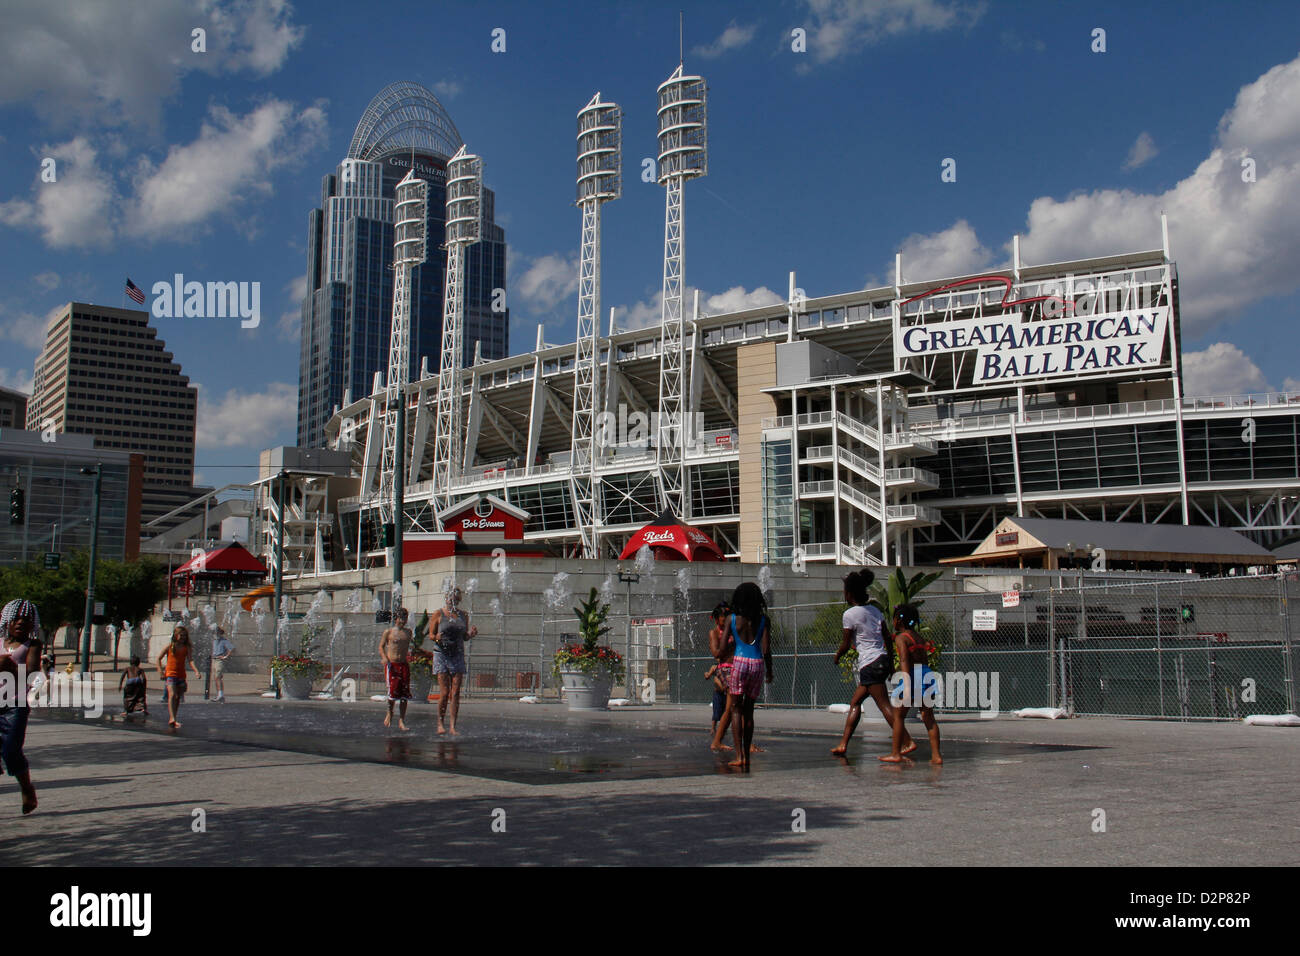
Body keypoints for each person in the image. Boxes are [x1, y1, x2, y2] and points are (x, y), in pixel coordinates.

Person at [831, 570, 915, 758]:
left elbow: (845, 643)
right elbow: (887, 636)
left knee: (884, 705)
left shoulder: (850, 614)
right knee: (855, 702)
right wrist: (891, 664)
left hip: (870, 663)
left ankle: (907, 741)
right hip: (881, 660)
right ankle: (843, 744)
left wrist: (837, 656)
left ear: (849, 594)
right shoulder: (875, 611)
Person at [880, 603, 943, 765]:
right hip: (926, 674)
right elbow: (925, 660)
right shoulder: (919, 637)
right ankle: (936, 756)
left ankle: (896, 753)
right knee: (928, 717)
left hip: (911, 675)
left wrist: (906, 685)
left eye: (893, 619)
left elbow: (904, 660)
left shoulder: (902, 638)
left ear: (899, 621)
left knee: (898, 716)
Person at [724, 582, 774, 771]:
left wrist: (729, 647)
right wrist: (770, 670)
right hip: (757, 664)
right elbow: (766, 649)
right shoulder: (763, 620)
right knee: (749, 711)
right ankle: (747, 753)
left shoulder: (732, 619)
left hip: (739, 662)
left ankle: (739, 756)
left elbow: (721, 648)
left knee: (736, 709)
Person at [0, 599, 42, 814]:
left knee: (10, 751)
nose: (20, 623)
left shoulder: (32, 645)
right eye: (16, 618)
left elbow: (33, 675)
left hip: (14, 705)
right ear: (7, 620)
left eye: (26, 619)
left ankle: (27, 788)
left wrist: (10, 668)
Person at [429, 586, 477, 736]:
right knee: (444, 692)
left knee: (455, 692)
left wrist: (471, 634)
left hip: (457, 654)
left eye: (456, 598)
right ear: (446, 598)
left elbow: (464, 637)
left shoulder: (463, 615)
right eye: (451, 598)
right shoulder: (438, 614)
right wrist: (436, 637)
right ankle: (440, 724)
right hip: (441, 654)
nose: (453, 601)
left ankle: (453, 726)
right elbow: (430, 634)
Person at [378, 608, 415, 731]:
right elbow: (381, 647)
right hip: (392, 665)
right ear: (396, 619)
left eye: (405, 618)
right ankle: (390, 712)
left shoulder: (408, 632)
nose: (403, 621)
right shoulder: (388, 632)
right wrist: (384, 658)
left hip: (403, 664)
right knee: (392, 693)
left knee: (404, 694)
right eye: (401, 618)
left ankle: (402, 721)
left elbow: (414, 646)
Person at [156, 626, 201, 728]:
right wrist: (161, 672)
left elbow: (190, 660)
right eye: (181, 635)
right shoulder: (170, 646)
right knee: (172, 694)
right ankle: (172, 719)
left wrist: (196, 671)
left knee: (177, 697)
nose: (183, 638)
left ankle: (174, 717)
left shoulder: (186, 648)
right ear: (176, 635)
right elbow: (158, 659)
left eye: (185, 636)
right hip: (170, 674)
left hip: (181, 675)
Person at [705, 602, 735, 751]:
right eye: (723, 621)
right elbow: (716, 653)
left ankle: (740, 743)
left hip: (736, 667)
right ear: (717, 620)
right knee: (732, 707)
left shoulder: (732, 631)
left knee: (736, 707)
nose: (726, 623)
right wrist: (729, 645)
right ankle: (717, 741)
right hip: (725, 669)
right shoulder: (714, 633)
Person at [210, 627, 234, 703]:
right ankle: (219, 695)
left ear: (220, 633)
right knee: (215, 678)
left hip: (219, 660)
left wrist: (225, 656)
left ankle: (221, 695)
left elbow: (231, 648)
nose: (215, 634)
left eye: (217, 633)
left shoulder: (224, 641)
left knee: (218, 677)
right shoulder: (214, 641)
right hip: (214, 659)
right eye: (215, 633)